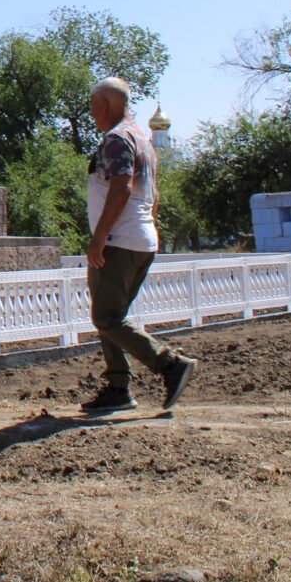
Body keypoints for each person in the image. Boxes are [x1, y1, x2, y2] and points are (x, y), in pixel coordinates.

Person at [81, 77, 198, 413]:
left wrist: (100, 237)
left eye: (92, 106)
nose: (91, 113)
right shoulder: (143, 140)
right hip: (141, 239)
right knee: (111, 316)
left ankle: (170, 364)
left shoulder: (117, 139)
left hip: (119, 240)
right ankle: (118, 387)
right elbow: (154, 195)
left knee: (106, 317)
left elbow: (122, 188)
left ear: (103, 104)